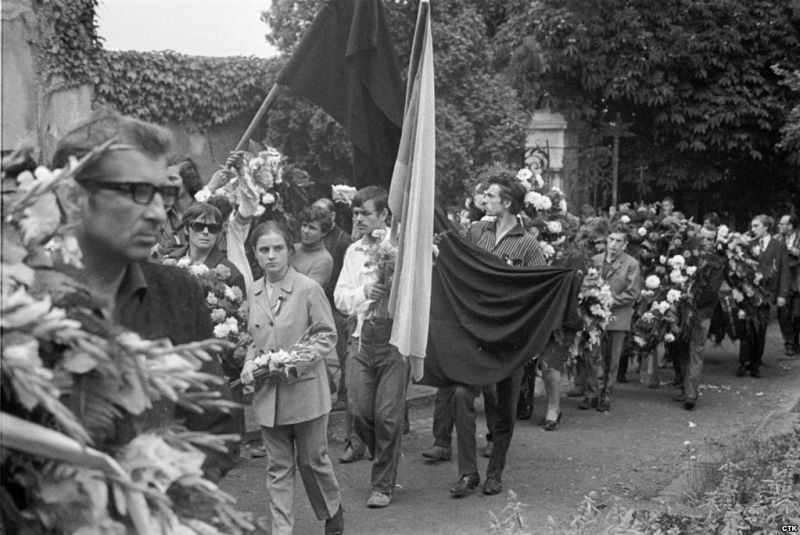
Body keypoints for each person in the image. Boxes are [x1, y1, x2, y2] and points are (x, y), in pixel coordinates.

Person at [51, 109, 238, 480]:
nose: (157, 213)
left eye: (163, 193)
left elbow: (218, 427)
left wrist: (163, 491)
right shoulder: (19, 300)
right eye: (136, 191)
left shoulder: (178, 292)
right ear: (73, 197)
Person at [239, 220, 344, 535]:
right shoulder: (253, 292)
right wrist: (247, 364)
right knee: (277, 468)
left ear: (289, 250)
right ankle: (281, 529)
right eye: (264, 250)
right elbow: (250, 340)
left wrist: (294, 362)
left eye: (278, 248)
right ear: (255, 254)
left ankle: (333, 513)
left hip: (306, 393)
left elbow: (326, 335)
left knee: (313, 461)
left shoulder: (307, 288)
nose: (271, 256)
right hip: (268, 397)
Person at [449, 171, 547, 498]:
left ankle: (495, 473)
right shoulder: (476, 231)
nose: (484, 200)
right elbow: (455, 257)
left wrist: (531, 339)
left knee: (505, 406)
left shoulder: (529, 245)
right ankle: (467, 473)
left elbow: (538, 291)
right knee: (462, 394)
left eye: (490, 196)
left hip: (510, 338)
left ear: (506, 202)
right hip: (476, 331)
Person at [334, 186, 408, 508]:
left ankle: (382, 484)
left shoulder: (401, 247)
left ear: (384, 215)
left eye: (365, 213)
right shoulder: (353, 252)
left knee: (388, 417)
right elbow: (340, 298)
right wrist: (365, 291)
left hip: (393, 343)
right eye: (355, 213)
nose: (358, 219)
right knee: (361, 411)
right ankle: (386, 456)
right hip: (362, 341)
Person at [581, 224, 641, 412]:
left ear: (625, 244)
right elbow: (587, 283)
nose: (613, 244)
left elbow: (632, 293)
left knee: (612, 358)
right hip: (594, 316)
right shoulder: (596, 260)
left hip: (617, 315)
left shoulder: (631, 264)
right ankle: (591, 393)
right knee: (592, 355)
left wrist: (608, 300)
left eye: (618, 241)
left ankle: (606, 394)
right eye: (611, 240)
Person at [672, 224, 725, 410]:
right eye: (702, 238)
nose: (705, 242)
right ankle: (684, 386)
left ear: (715, 241)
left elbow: (712, 291)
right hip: (681, 312)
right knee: (680, 349)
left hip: (701, 313)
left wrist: (691, 299)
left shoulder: (717, 262)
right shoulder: (687, 256)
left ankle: (691, 394)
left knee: (696, 351)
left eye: (710, 239)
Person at [737, 215, 790, 377]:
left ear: (766, 227)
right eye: (752, 226)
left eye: (756, 226)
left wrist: (782, 294)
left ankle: (755, 363)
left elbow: (784, 272)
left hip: (767, 293)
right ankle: (743, 362)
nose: (753, 229)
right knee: (746, 327)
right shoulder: (749, 244)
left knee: (760, 329)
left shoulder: (779, 246)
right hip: (749, 292)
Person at [165, 202, 245, 292]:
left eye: (213, 228)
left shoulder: (232, 275)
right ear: (186, 229)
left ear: (218, 233)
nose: (206, 232)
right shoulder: (169, 260)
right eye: (198, 226)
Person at [156, 156, 203, 256]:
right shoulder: (160, 215)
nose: (167, 184)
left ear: (188, 181)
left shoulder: (205, 212)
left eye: (172, 179)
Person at [290, 205, 334, 288]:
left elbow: (306, 290)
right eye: (304, 225)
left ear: (323, 233)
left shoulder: (324, 260)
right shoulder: (293, 249)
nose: (306, 231)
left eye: (312, 228)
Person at [776, 214, 800, 356]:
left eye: (782, 223)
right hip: (783, 283)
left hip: (797, 281)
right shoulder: (777, 239)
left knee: (797, 314)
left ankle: (795, 340)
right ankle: (789, 343)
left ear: (790, 225)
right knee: (783, 314)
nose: (779, 226)